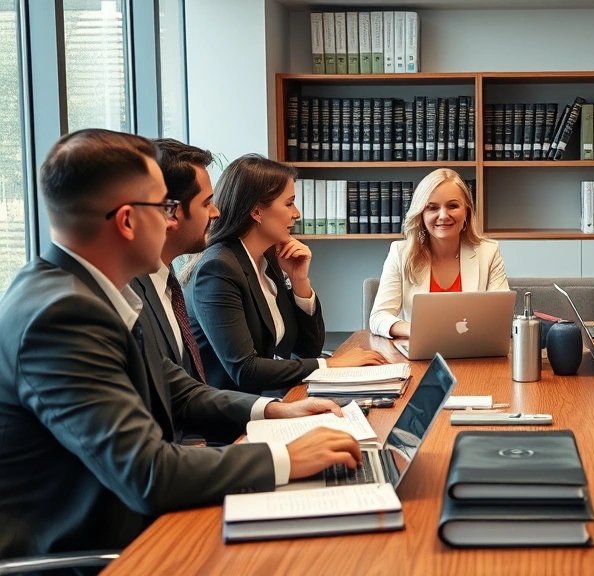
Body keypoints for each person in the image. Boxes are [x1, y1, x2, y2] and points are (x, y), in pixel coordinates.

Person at [0, 129, 364, 559]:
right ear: (128, 221)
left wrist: (274, 409)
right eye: (164, 206)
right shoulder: (61, 316)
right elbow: (147, 472)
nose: (174, 219)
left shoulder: (90, 291)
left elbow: (174, 384)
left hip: (139, 520)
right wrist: (283, 458)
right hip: (102, 548)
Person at [182, 154, 385, 394]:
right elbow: (244, 371)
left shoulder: (267, 259)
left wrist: (300, 281)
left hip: (275, 397)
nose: (296, 213)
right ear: (257, 211)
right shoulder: (217, 269)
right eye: (289, 203)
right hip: (237, 420)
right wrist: (329, 365)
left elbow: (307, 348)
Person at [369, 168, 509, 338]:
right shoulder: (401, 253)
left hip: (473, 354)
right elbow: (378, 317)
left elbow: (501, 319)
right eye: (433, 208)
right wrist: (416, 330)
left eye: (452, 206)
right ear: (421, 214)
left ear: (466, 211)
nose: (443, 215)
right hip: (420, 354)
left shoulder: (488, 252)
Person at [130, 139, 218, 383]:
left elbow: (180, 387)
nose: (216, 212)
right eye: (207, 202)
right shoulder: (127, 296)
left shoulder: (165, 282)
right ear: (171, 212)